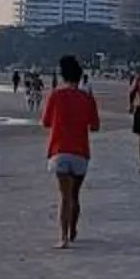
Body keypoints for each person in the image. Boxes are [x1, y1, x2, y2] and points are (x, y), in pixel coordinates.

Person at [39, 54, 101, 247]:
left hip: (59, 150)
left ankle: (63, 237)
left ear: (62, 75)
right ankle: (72, 229)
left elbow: (45, 122)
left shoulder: (55, 95)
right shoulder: (87, 98)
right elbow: (95, 126)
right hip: (80, 151)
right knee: (74, 195)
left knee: (64, 196)